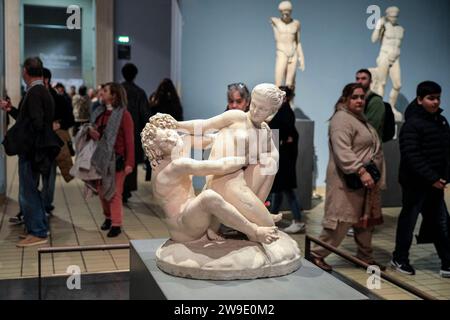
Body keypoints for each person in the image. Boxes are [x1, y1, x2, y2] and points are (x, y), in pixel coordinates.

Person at [141, 113, 279, 244]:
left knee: (217, 183)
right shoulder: (176, 166)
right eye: (165, 142)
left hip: (191, 214)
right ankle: (254, 231)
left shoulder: (175, 148)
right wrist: (248, 157)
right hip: (183, 227)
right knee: (209, 196)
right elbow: (222, 166)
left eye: (169, 133)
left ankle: (225, 223)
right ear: (157, 151)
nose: (172, 139)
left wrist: (249, 134)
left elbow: (215, 139)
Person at [177, 84, 285, 230]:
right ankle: (256, 215)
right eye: (254, 104)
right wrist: (175, 125)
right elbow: (203, 125)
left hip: (238, 181)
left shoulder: (264, 132)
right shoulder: (237, 117)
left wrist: (255, 155)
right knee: (268, 225)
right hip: (222, 181)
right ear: (250, 101)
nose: (255, 110)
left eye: (263, 109)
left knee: (269, 164)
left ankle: (257, 210)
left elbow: (273, 156)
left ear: (272, 112)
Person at [310, 83, 385, 272]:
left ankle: (365, 257)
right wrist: (361, 171)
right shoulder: (341, 119)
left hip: (362, 183)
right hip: (347, 181)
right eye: (355, 97)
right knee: (340, 221)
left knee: (363, 222)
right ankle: (316, 254)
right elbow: (343, 150)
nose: (359, 100)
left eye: (362, 97)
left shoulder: (359, 118)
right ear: (345, 99)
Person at [392, 81, 450, 278]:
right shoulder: (412, 124)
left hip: (435, 183)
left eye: (438, 98)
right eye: (430, 98)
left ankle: (447, 263)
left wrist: (444, 177)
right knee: (409, 221)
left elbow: (446, 151)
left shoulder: (441, 121)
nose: (435, 102)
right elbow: (411, 155)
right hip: (415, 184)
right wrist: (432, 178)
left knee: (441, 222)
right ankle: (400, 258)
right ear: (419, 100)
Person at [0, 57, 56, 247]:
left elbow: (35, 123)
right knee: (31, 191)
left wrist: (20, 141)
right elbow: (31, 119)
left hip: (32, 152)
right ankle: (37, 227)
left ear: (25, 71)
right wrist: (12, 110)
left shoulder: (35, 92)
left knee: (28, 192)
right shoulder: (42, 91)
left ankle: (38, 232)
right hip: (37, 150)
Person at [89, 83, 135, 238]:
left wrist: (130, 162)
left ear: (114, 95)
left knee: (115, 193)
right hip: (101, 159)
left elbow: (129, 140)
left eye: (105, 91)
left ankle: (116, 224)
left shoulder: (124, 115)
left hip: (117, 160)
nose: (101, 93)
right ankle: (108, 218)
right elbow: (98, 133)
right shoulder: (99, 112)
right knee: (102, 192)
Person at [268, 86, 305, 234]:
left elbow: (286, 135)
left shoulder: (285, 112)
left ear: (287, 97)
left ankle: (298, 220)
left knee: (287, 189)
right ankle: (271, 218)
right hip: (281, 156)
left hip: (284, 158)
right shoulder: (281, 111)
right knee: (278, 189)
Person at [41, 68, 75, 215]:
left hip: (53, 143)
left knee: (49, 175)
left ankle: (45, 204)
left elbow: (70, 119)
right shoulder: (34, 96)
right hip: (38, 143)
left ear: (46, 80)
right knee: (44, 175)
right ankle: (43, 204)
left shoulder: (59, 99)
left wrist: (59, 125)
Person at [121, 63, 151, 203]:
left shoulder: (119, 91)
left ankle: (119, 187)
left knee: (119, 160)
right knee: (130, 161)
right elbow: (145, 115)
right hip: (134, 132)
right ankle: (127, 189)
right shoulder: (140, 92)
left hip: (119, 132)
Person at [370, 6, 404, 121]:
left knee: (397, 85)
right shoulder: (384, 26)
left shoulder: (401, 28)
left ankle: (391, 108)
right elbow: (374, 39)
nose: (394, 18)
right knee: (382, 83)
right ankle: (379, 108)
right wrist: (379, 26)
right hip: (384, 55)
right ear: (388, 15)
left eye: (396, 16)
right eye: (392, 16)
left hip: (395, 58)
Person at [271, 1, 305, 88]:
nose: (285, 15)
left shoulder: (296, 24)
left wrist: (302, 58)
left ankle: (290, 101)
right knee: (278, 80)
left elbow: (298, 42)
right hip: (281, 52)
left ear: (290, 12)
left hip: (293, 53)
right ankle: (277, 101)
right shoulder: (276, 22)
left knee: (290, 83)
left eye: (287, 13)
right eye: (283, 13)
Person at [356, 69, 385, 141]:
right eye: (357, 79)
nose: (359, 81)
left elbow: (370, 128)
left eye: (363, 79)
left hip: (370, 147)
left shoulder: (376, 101)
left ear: (370, 81)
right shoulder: (354, 100)